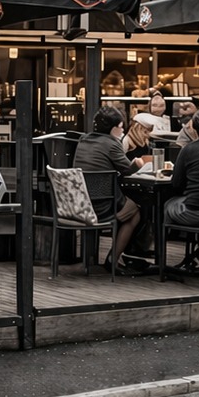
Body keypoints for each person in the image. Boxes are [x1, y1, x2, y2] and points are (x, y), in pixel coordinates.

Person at [72, 106, 145, 276]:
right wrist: (138, 163)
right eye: (121, 127)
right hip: (102, 205)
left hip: (82, 203)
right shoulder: (112, 144)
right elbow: (127, 170)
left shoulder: (84, 139)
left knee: (129, 207)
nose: (123, 130)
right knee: (135, 212)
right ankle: (113, 259)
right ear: (113, 128)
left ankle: (117, 243)